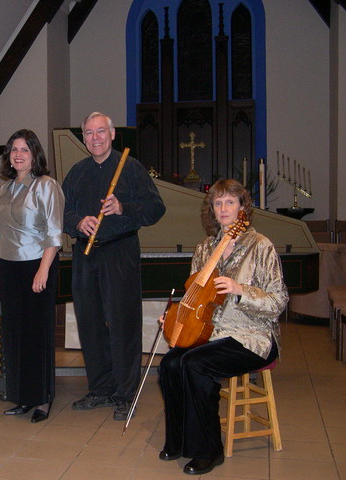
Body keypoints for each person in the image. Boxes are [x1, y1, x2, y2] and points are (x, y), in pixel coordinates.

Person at [158, 179, 288, 475]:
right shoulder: (205, 248)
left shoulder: (260, 246)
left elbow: (279, 301)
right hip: (213, 333)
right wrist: (174, 317)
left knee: (195, 364)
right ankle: (177, 440)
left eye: (230, 202)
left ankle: (209, 449)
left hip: (252, 336)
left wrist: (240, 288)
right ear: (212, 210)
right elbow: (193, 297)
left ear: (243, 207)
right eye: (218, 203)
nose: (223, 208)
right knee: (170, 364)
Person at [62, 112, 166, 421]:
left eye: (101, 132)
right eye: (89, 133)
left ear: (112, 135)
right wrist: (78, 222)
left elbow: (155, 209)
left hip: (120, 252)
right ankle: (100, 389)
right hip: (85, 255)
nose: (95, 138)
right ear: (84, 138)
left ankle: (124, 394)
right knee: (90, 324)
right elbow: (62, 213)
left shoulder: (130, 168)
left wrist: (123, 207)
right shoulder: (76, 173)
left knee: (123, 325)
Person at [0, 129, 64, 423]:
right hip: (8, 266)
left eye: (24, 150)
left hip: (36, 265)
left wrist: (43, 270)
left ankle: (42, 399)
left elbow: (54, 233)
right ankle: (21, 396)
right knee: (14, 335)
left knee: (36, 336)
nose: (18, 155)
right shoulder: (4, 189)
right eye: (14, 149)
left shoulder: (46, 186)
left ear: (35, 155)